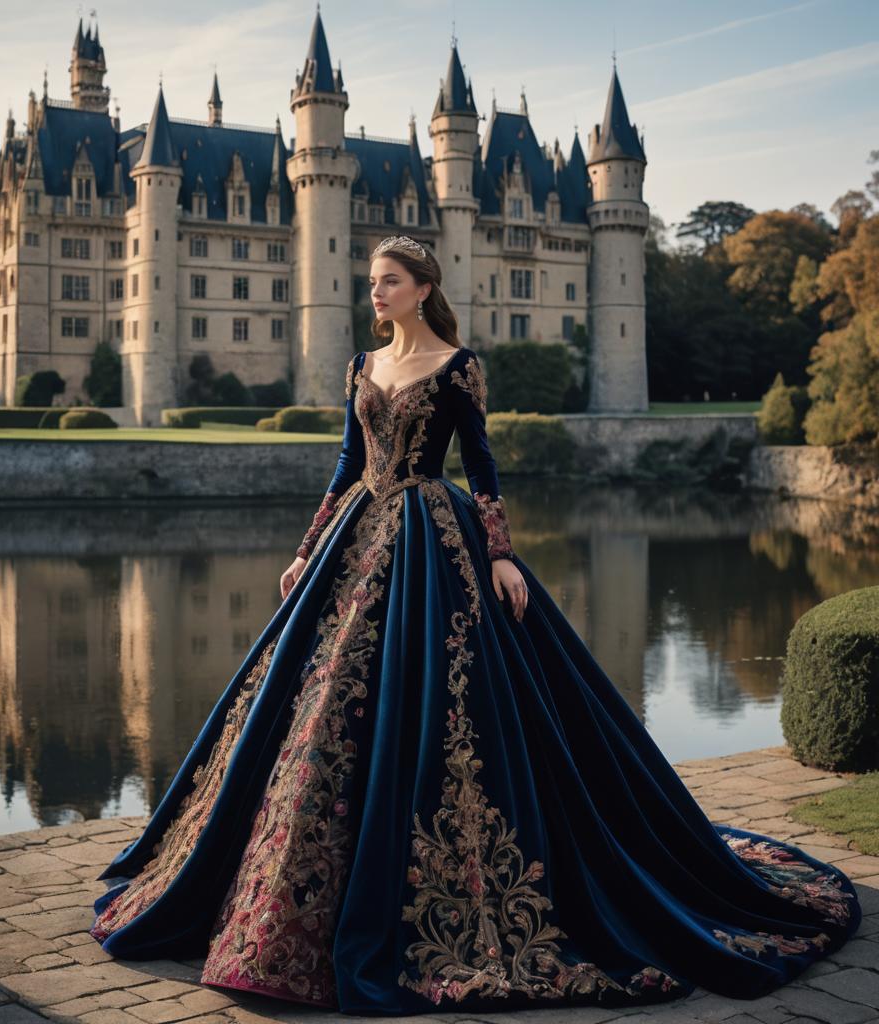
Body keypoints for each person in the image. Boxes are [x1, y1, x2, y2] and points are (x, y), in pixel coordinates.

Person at [88, 235, 861, 1016]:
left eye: (388, 282)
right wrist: (306, 549)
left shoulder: (458, 367)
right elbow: (347, 465)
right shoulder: (361, 366)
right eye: (371, 283)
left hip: (434, 533)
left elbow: (481, 465)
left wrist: (500, 556)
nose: (375, 294)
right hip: (359, 537)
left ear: (423, 288)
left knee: (444, 704)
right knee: (319, 703)